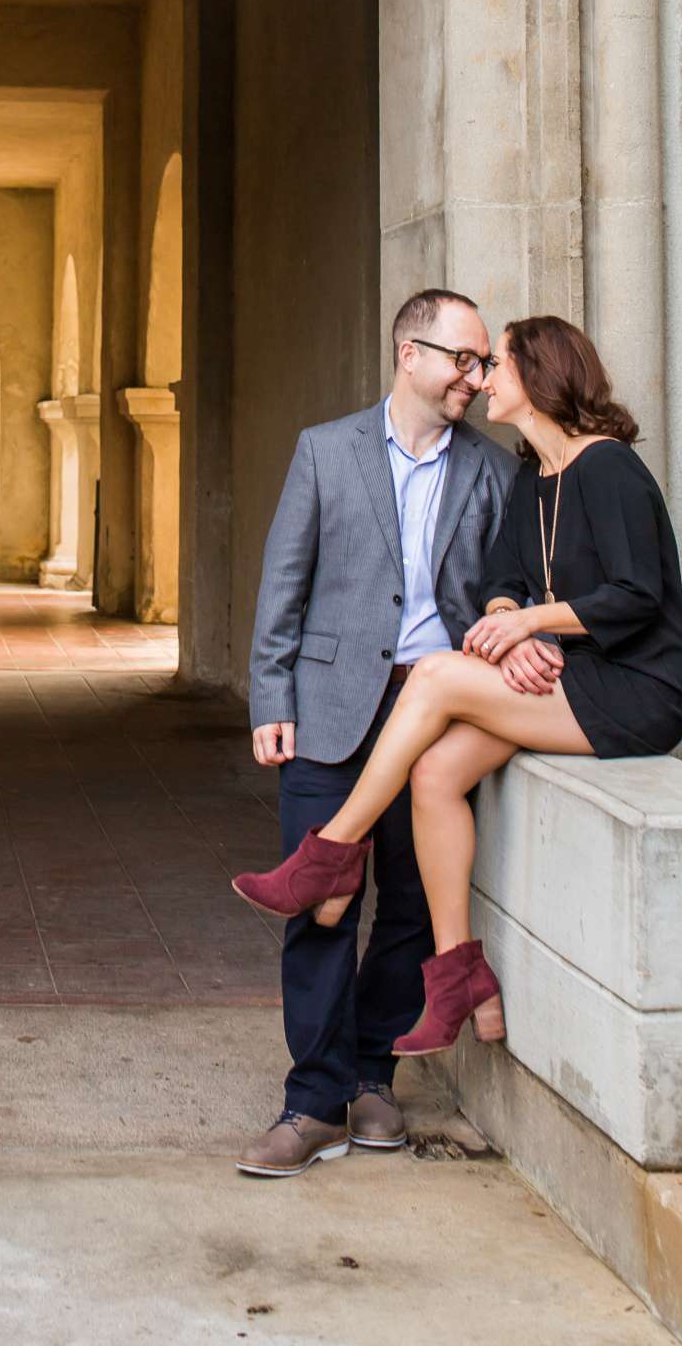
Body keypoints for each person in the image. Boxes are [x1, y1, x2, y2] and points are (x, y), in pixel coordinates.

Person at [234, 314, 682, 1061]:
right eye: (473, 363)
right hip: (564, 677)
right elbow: (503, 581)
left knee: (443, 674)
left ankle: (334, 851)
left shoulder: (605, 467)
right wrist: (512, 618)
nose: (482, 381)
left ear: (539, 380)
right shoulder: (534, 477)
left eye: (496, 366)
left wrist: (525, 624)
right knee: (437, 772)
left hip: (638, 689)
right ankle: (460, 976)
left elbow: (638, 593)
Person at [236, 289, 520, 1177]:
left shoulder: (493, 469)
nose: (473, 378)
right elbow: (286, 577)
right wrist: (269, 696)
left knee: (407, 902)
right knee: (322, 902)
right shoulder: (326, 450)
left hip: (435, 716)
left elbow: (501, 584)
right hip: (328, 705)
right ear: (410, 354)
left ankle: (371, 1075)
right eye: (461, 360)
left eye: (481, 365)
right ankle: (311, 1100)